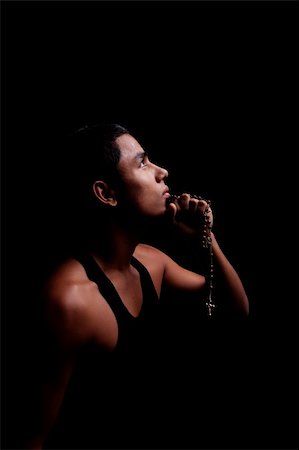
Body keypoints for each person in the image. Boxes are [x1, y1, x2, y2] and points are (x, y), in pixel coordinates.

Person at [19, 123, 249, 450]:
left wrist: (206, 240)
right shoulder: (69, 302)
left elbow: (235, 310)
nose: (162, 171)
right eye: (142, 163)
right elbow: (30, 437)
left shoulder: (151, 263)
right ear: (107, 194)